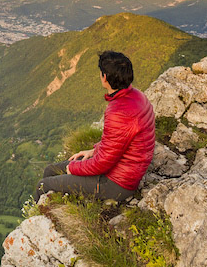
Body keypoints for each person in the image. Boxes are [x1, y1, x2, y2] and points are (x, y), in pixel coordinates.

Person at [34, 51, 155, 202]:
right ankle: (60, 201)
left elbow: (102, 164)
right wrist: (94, 150)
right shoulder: (136, 96)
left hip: (115, 183)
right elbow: (119, 141)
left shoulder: (118, 111)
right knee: (50, 170)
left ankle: (46, 215)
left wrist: (72, 169)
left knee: (42, 185)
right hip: (123, 172)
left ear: (104, 77)